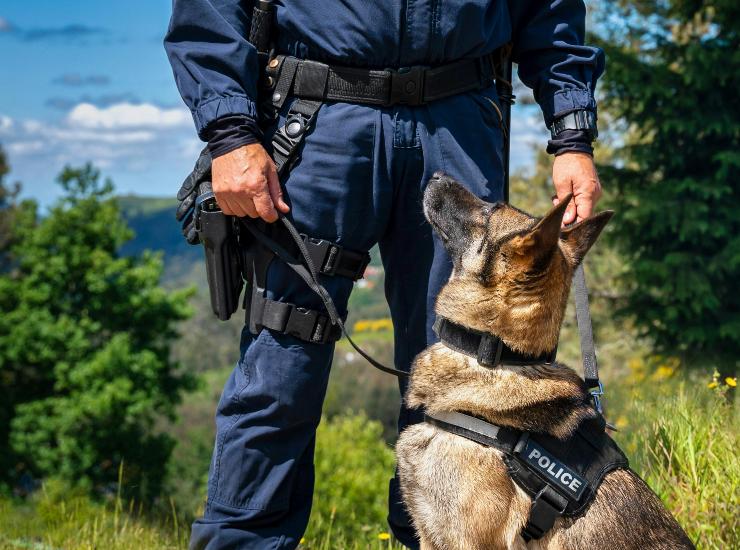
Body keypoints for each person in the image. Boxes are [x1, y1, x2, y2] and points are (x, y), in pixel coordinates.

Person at [165, 1, 604, 548]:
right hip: (319, 122)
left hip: (459, 122)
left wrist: (572, 133)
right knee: (281, 371)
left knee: (466, 383)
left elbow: (551, 8)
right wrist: (230, 133)